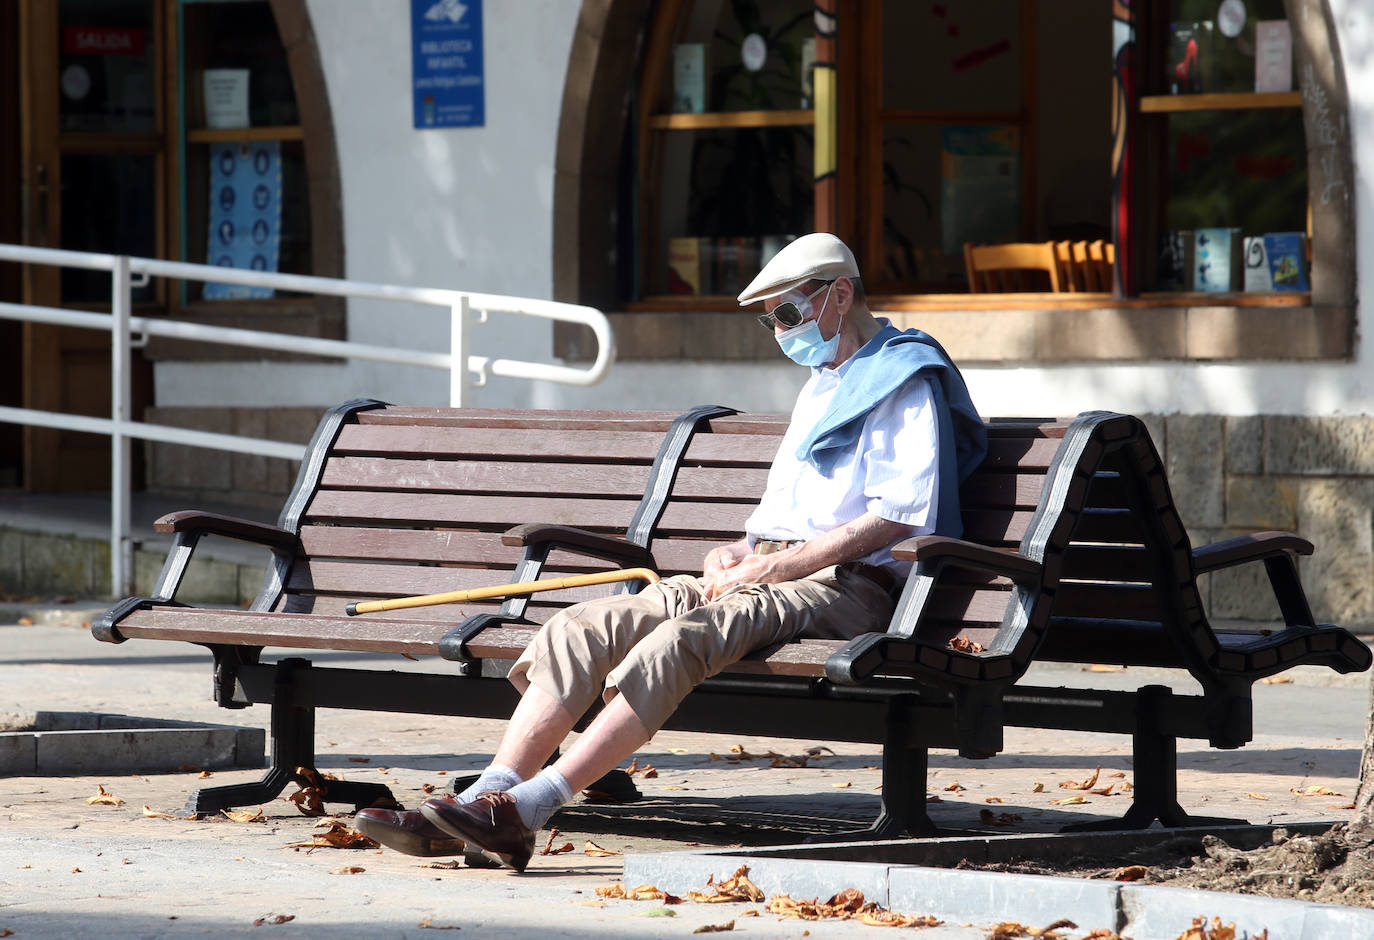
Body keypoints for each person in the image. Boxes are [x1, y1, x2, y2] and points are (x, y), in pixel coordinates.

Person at [355, 233, 987, 870]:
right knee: (584, 625)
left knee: (677, 640)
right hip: (767, 573)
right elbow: (785, 514)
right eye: (768, 319)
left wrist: (776, 564)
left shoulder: (903, 377)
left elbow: (896, 515)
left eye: (786, 314)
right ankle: (487, 799)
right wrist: (737, 550)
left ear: (840, 294)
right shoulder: (824, 381)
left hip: (842, 586)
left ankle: (530, 809)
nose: (778, 331)